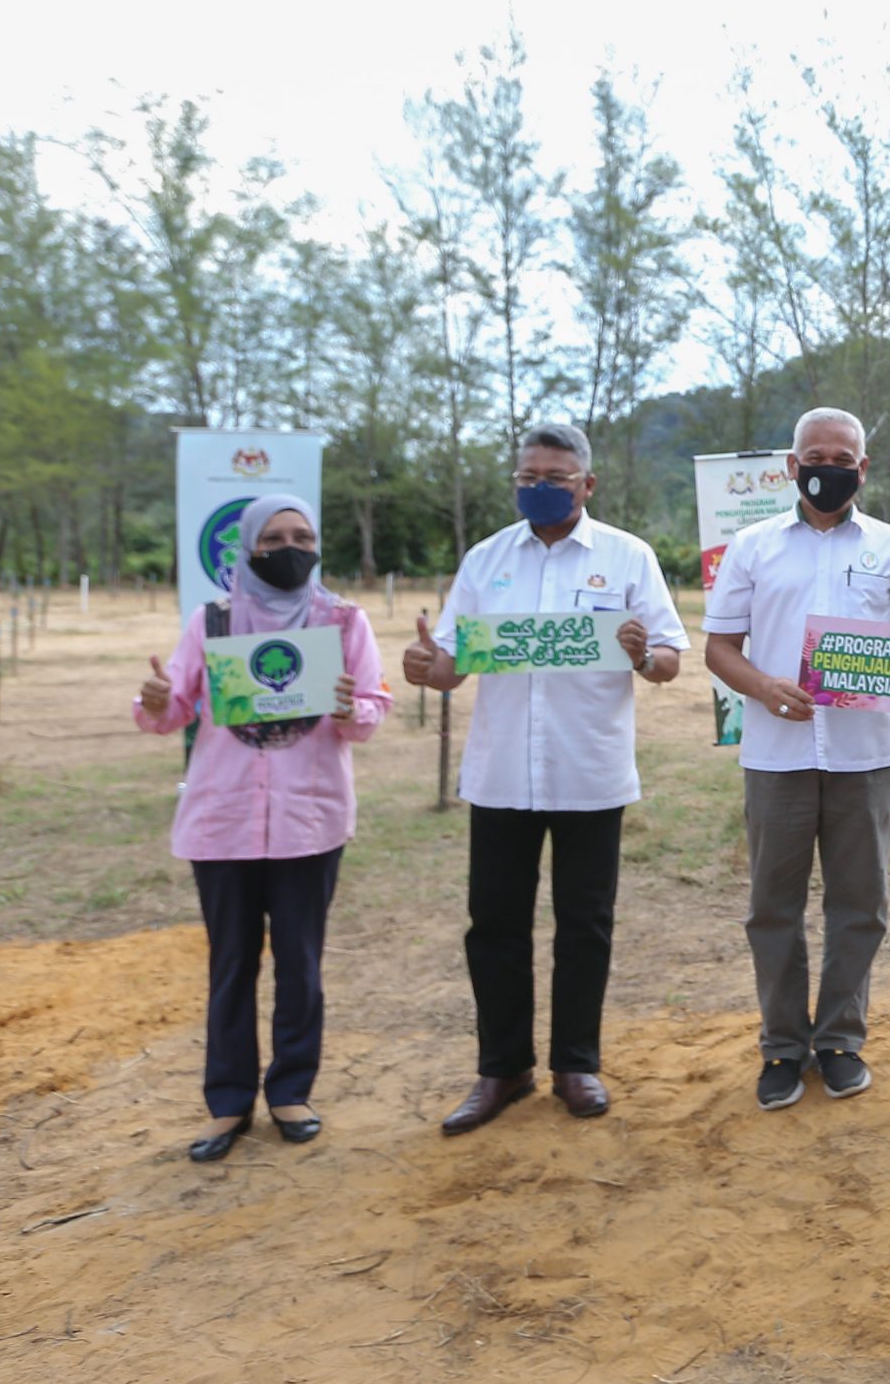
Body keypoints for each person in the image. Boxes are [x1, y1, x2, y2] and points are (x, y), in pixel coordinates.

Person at [403, 422, 689, 1134]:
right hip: (500, 773)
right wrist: (425, 668)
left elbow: (669, 661)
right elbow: (451, 665)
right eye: (528, 475)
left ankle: (575, 1063)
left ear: (587, 485)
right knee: (494, 925)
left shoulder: (629, 556)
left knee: (584, 925)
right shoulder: (486, 559)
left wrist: (640, 653)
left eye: (556, 478)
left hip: (588, 770)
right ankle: (502, 1068)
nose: (539, 487)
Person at [134, 494, 391, 1162]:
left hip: (310, 819)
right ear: (247, 549)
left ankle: (291, 1090)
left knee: (300, 961)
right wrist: (156, 702)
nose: (289, 548)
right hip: (223, 821)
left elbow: (370, 708)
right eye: (273, 538)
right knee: (231, 963)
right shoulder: (214, 620)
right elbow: (174, 708)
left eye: (302, 535)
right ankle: (227, 1102)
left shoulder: (342, 620)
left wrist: (349, 708)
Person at [704, 407, 890, 1111]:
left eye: (842, 457)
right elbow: (719, 647)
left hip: (865, 755)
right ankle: (782, 1047)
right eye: (815, 455)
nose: (826, 467)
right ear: (791, 465)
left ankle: (840, 1040)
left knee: (858, 904)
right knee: (771, 908)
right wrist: (764, 689)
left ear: (862, 469)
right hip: (775, 755)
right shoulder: (750, 547)